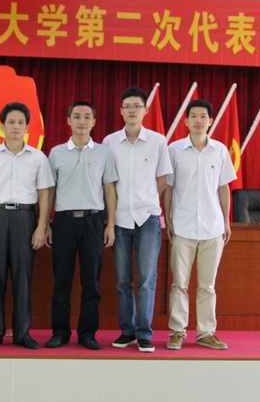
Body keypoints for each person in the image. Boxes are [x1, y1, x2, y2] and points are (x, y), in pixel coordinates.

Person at [0, 102, 54, 350]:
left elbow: (45, 193)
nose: (16, 127)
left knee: (23, 277)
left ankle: (22, 333)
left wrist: (41, 226)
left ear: (27, 127)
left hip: (25, 219)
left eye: (20, 123)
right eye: (11, 122)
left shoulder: (38, 157)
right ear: (2, 126)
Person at [102, 87, 172, 353]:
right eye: (127, 106)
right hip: (119, 218)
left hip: (147, 218)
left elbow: (162, 180)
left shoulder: (157, 141)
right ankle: (127, 331)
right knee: (122, 280)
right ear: (121, 111)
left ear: (145, 110)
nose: (132, 110)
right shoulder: (109, 142)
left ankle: (144, 332)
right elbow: (107, 182)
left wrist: (147, 200)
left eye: (137, 106)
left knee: (146, 279)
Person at [163, 99, 236, 351]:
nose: (198, 120)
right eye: (193, 116)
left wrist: (226, 220)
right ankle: (177, 331)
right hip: (182, 226)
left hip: (212, 227)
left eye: (203, 116)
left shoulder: (220, 150)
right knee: (179, 284)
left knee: (207, 285)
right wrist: (168, 219)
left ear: (210, 121)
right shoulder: (174, 150)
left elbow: (224, 187)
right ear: (185, 121)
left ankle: (206, 332)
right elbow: (169, 187)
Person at [45, 101, 117, 351]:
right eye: (77, 116)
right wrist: (45, 223)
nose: (82, 121)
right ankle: (60, 332)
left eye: (87, 117)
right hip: (63, 221)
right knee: (61, 282)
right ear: (68, 120)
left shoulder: (103, 153)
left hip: (93, 221)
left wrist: (110, 224)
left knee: (91, 283)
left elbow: (109, 189)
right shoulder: (56, 153)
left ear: (94, 122)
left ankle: (87, 333)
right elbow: (49, 190)